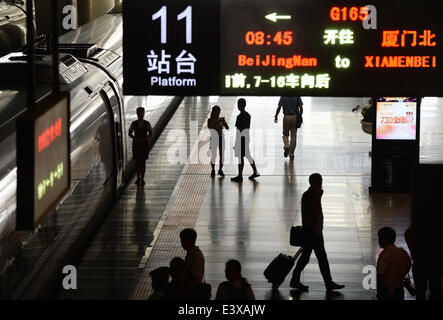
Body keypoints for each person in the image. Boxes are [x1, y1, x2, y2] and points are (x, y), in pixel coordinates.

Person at [290, 173, 345, 291]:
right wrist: (318, 199)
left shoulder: (312, 195)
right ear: (313, 183)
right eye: (319, 181)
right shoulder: (309, 196)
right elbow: (312, 213)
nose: (321, 184)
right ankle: (327, 283)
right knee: (319, 258)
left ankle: (296, 280)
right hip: (312, 232)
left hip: (314, 231)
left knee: (309, 258)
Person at [404, 225, 441, 300]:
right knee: (436, 290)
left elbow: (407, 233)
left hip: (419, 262)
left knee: (420, 291)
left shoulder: (416, 227)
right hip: (435, 263)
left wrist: (412, 249)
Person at [376, 227, 412, 300]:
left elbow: (380, 274)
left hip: (387, 290)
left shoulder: (384, 255)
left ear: (383, 240)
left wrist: (379, 291)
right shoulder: (402, 252)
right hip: (399, 289)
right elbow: (408, 265)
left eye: (379, 238)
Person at [231, 98, 260, 182]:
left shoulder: (239, 117)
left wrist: (236, 142)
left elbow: (238, 130)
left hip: (241, 139)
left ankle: (240, 176)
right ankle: (255, 171)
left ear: (238, 106)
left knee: (241, 157)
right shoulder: (248, 115)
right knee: (247, 155)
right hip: (247, 137)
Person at [129, 107, 152, 186]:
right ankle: (140, 178)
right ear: (137, 114)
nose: (141, 115)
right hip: (141, 145)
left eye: (141, 113)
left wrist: (135, 138)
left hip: (139, 145)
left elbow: (130, 133)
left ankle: (140, 178)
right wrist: (145, 138)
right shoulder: (146, 123)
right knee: (139, 162)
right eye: (139, 113)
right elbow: (150, 133)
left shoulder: (134, 123)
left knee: (141, 162)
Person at [208, 105, 229, 177]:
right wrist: (218, 122)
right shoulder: (210, 120)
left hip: (221, 137)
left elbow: (227, 128)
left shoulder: (221, 119)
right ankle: (213, 169)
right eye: (216, 112)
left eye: (218, 112)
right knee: (214, 155)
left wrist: (224, 122)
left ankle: (220, 169)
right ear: (213, 112)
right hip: (214, 137)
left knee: (222, 155)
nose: (217, 113)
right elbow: (211, 128)